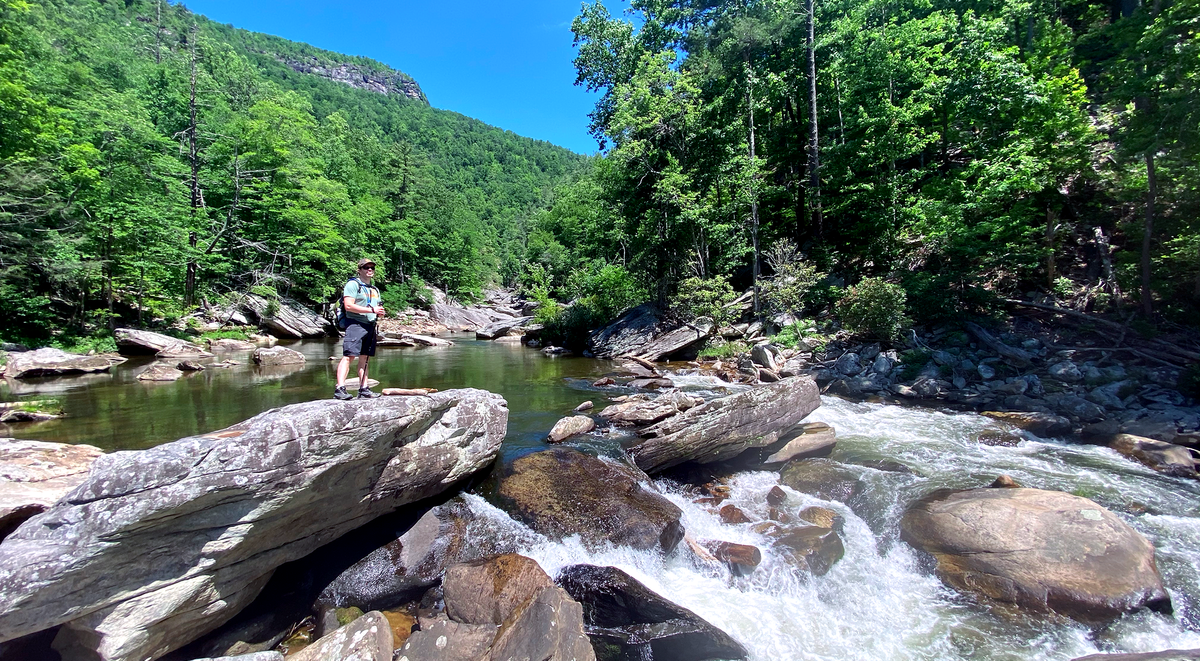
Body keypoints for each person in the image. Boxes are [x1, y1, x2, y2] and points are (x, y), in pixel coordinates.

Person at [334, 258, 385, 400]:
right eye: (366, 267)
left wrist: (379, 312)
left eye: (372, 268)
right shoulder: (352, 284)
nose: (370, 270)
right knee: (349, 355)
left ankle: (364, 388)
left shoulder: (374, 289)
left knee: (365, 357)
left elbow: (377, 307)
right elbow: (348, 305)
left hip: (370, 325)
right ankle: (340, 388)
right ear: (359, 270)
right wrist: (371, 309)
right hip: (355, 324)